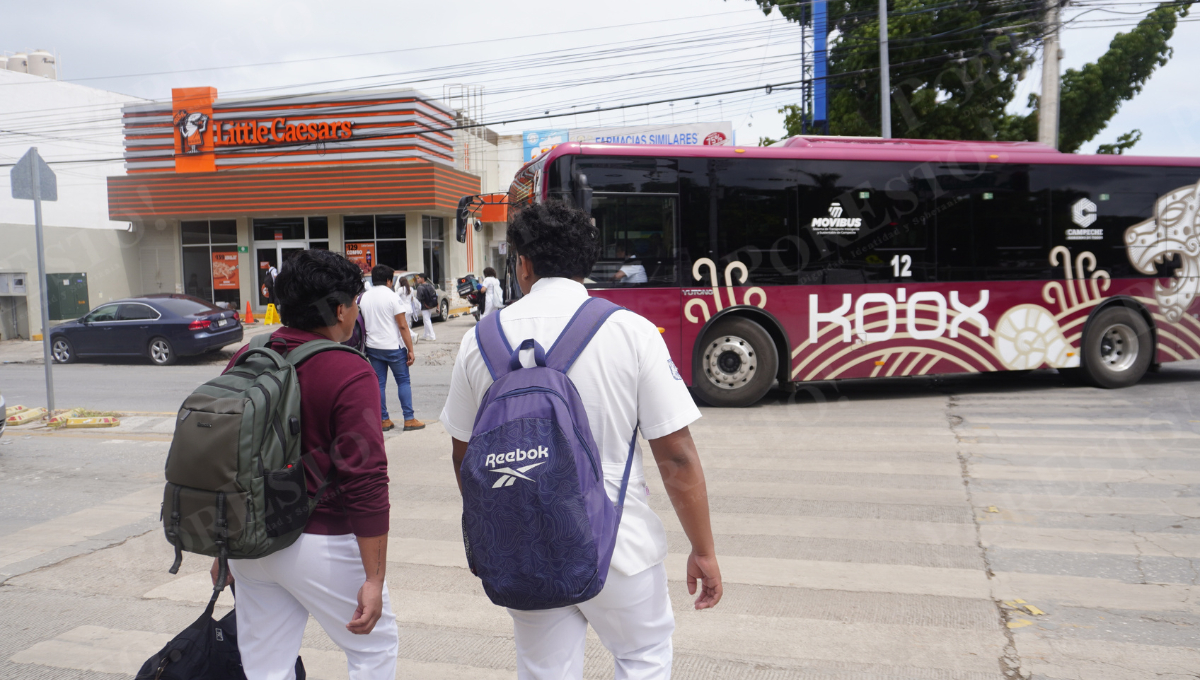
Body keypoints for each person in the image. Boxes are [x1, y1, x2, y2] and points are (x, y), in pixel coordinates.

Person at [440, 201, 722, 679]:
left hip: (527, 541)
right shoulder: (630, 331)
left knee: (544, 671)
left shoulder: (479, 339)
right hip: (619, 540)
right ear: (586, 264)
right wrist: (704, 550)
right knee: (642, 658)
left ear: (522, 263)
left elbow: (465, 456)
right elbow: (676, 456)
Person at [215, 249, 398, 680]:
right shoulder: (347, 370)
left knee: (266, 665)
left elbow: (225, 456)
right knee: (373, 649)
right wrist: (374, 578)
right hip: (321, 540)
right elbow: (366, 479)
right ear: (339, 309)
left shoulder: (247, 356)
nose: (356, 312)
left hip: (250, 542)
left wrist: (224, 546)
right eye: (354, 303)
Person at [360, 265, 423, 433]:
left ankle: (384, 419)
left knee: (379, 384)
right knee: (403, 381)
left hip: (373, 347)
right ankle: (409, 419)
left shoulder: (364, 298)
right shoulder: (393, 297)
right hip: (393, 347)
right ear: (389, 280)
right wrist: (410, 349)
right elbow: (403, 326)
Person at [415, 273, 437, 341]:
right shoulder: (430, 285)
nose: (417, 279)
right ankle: (425, 334)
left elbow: (418, 298)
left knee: (427, 320)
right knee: (426, 320)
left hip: (424, 306)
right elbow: (435, 294)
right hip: (430, 305)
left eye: (418, 278)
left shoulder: (420, 287)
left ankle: (432, 335)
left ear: (422, 279)